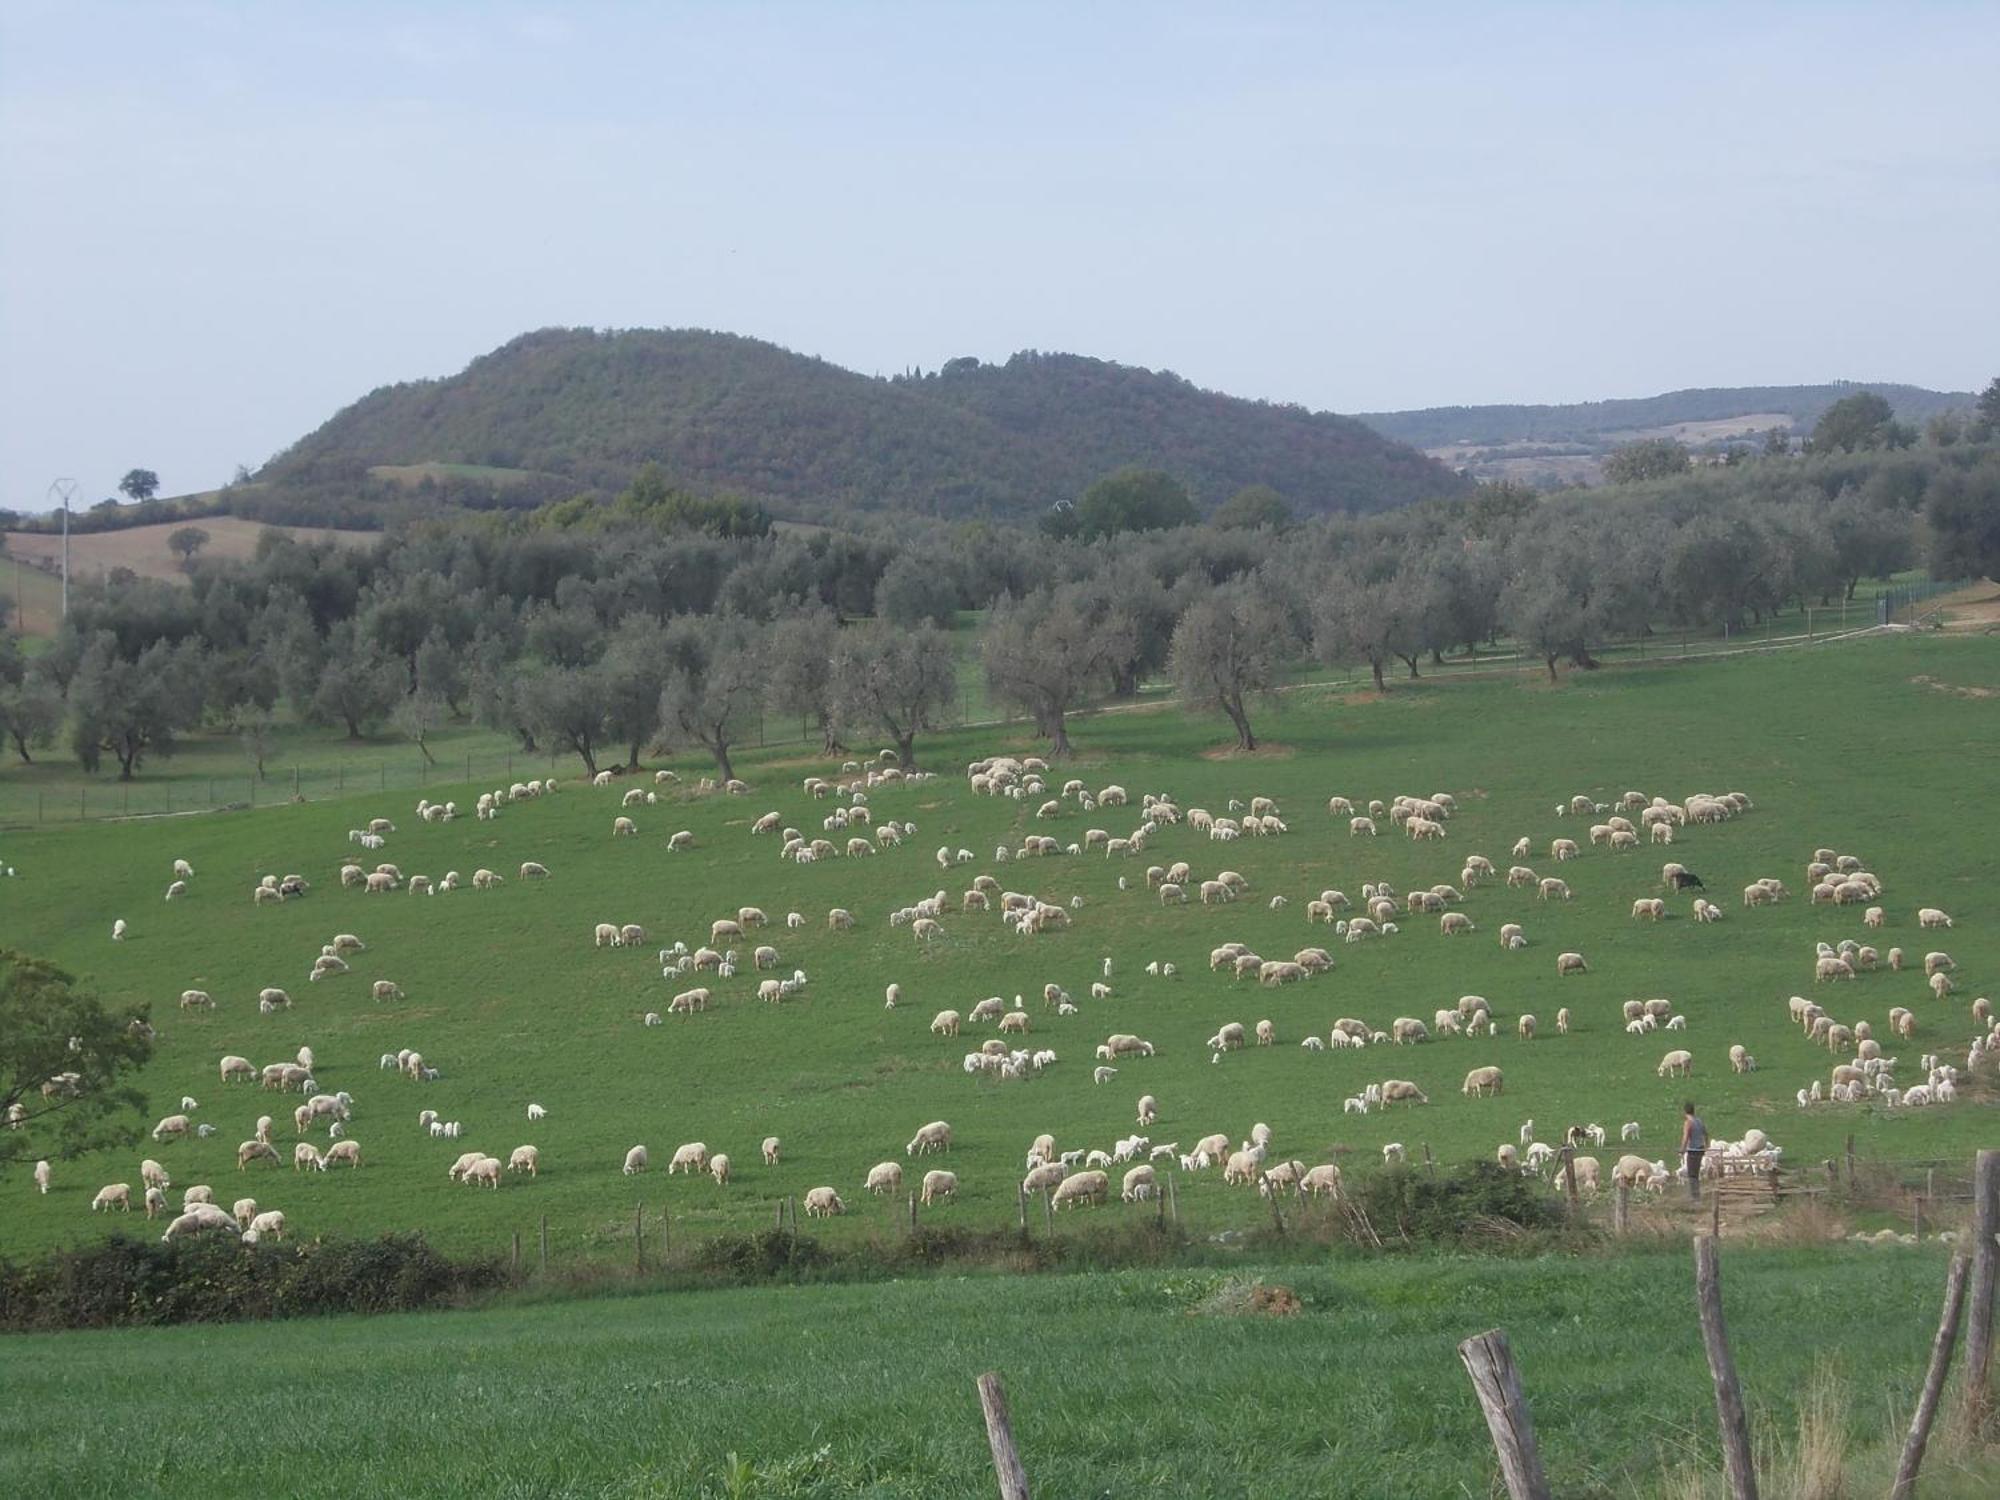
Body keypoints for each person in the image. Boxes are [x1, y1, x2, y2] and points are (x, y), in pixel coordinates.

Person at [1680, 1101, 1708, 1201]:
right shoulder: (1699, 1121)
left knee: (1692, 1174)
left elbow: (1686, 1137)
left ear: (1685, 1112)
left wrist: (1682, 1150)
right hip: (1700, 1149)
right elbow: (1705, 1133)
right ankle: (1697, 1194)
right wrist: (1706, 1146)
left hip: (1692, 1150)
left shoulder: (1688, 1122)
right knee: (1696, 1173)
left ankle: (1694, 1197)